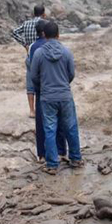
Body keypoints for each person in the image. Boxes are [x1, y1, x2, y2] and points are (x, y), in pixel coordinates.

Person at [30, 22, 82, 175]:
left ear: (44, 35)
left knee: (50, 129)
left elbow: (33, 76)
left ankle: (52, 164)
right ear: (59, 35)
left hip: (47, 97)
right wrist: (63, 83)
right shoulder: (66, 52)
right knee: (71, 127)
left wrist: (44, 86)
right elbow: (71, 74)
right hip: (65, 95)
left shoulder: (39, 53)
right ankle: (75, 158)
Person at [26, 20, 67, 162]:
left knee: (42, 123)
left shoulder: (33, 47)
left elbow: (32, 70)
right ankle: (61, 151)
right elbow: (69, 72)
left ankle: (42, 155)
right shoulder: (58, 46)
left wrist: (38, 85)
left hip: (41, 90)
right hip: (58, 88)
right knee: (59, 121)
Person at [13, 5, 46, 117]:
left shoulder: (26, 24)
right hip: (43, 56)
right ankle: (42, 109)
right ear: (43, 13)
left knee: (30, 83)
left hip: (30, 56)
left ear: (34, 13)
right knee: (44, 82)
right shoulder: (45, 24)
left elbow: (14, 32)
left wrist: (25, 44)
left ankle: (32, 111)